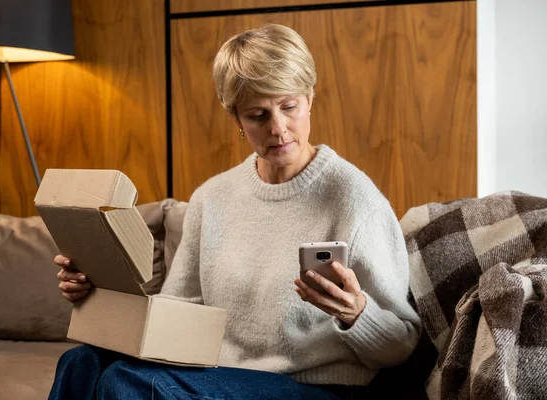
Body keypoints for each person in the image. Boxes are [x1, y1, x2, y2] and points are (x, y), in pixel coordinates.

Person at [49, 24, 421, 400]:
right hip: (221, 375)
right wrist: (99, 291)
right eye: (258, 115)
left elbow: (401, 344)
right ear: (236, 119)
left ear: (310, 98)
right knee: (81, 363)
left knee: (127, 383)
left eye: (289, 106)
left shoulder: (355, 199)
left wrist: (356, 313)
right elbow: (181, 311)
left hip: (319, 387)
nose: (278, 128)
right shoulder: (212, 197)